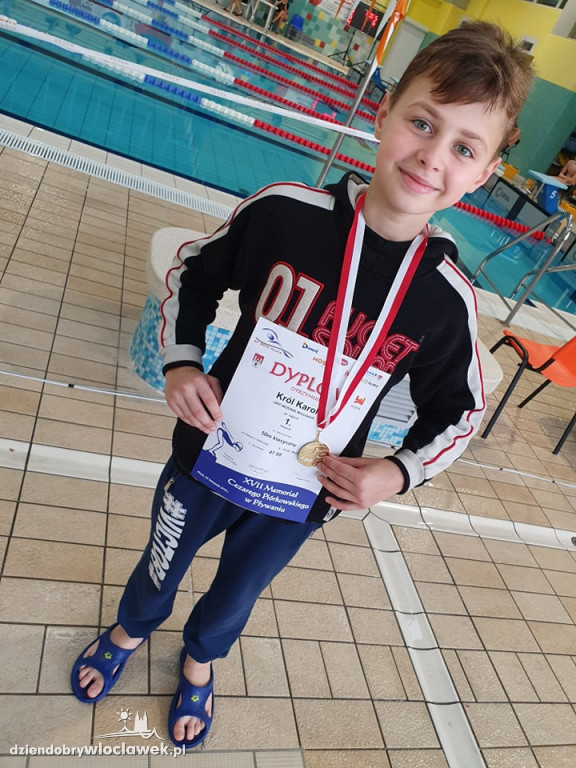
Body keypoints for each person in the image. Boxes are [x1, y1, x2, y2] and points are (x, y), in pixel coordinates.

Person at [71, 20, 534, 750]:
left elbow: (459, 411)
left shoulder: (445, 299)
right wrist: (183, 361)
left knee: (239, 590)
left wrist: (395, 471)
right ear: (383, 113)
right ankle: (130, 630)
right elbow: (195, 272)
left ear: (481, 175)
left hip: (303, 491)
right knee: (162, 561)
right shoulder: (286, 213)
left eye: (464, 148)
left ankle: (200, 661)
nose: (432, 156)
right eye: (422, 123)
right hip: (208, 453)